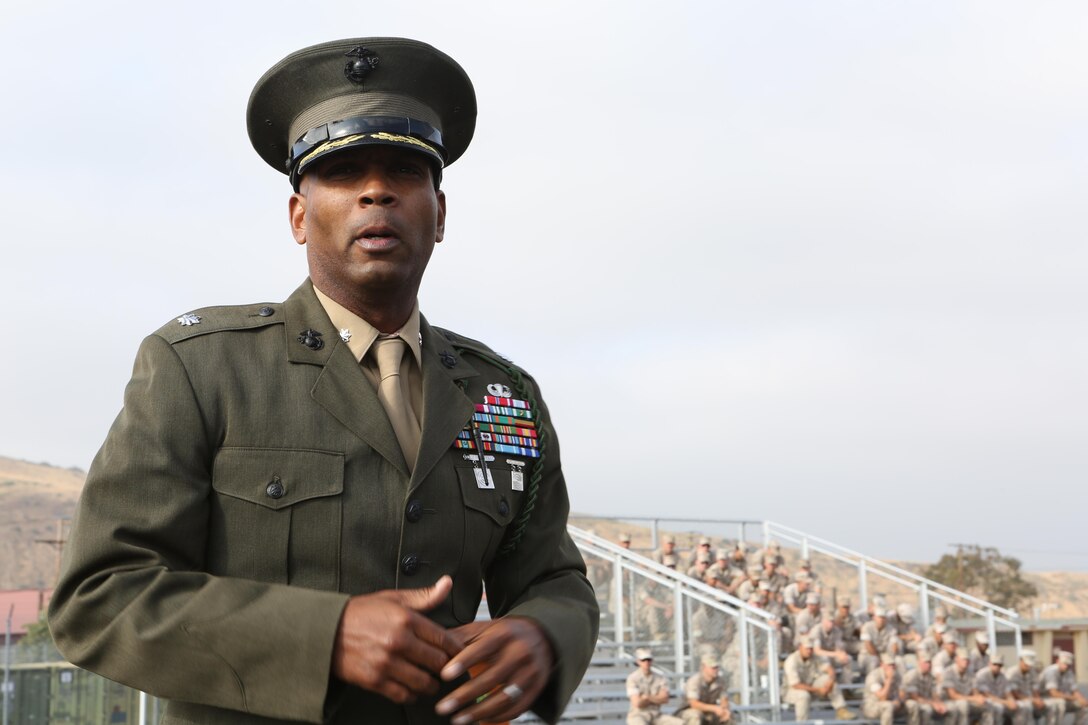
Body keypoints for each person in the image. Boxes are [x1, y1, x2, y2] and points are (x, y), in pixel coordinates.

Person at [47, 37, 599, 725]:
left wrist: (544, 632)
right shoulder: (201, 368)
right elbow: (99, 597)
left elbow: (552, 575)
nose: (377, 189)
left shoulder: (503, 396)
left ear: (441, 212)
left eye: (404, 168)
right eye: (342, 172)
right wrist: (325, 636)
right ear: (299, 218)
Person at [782, 638, 857, 721]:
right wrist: (818, 690)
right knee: (803, 696)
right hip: (791, 690)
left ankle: (841, 710)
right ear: (800, 647)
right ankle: (802, 722)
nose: (809, 651)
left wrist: (830, 681)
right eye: (807, 648)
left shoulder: (814, 656)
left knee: (829, 680)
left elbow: (829, 669)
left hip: (810, 685)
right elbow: (795, 685)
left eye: (811, 648)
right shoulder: (791, 660)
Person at [627, 649, 683, 725]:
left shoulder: (660, 678)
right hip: (638, 715)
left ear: (652, 661)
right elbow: (637, 703)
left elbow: (665, 699)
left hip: (656, 714)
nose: (646, 662)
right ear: (638, 661)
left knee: (680, 723)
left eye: (648, 660)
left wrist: (647, 697)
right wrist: (656, 698)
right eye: (643, 660)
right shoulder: (632, 678)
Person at [863, 654, 919, 725]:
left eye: (893, 664)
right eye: (889, 665)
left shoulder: (898, 674)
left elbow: (903, 693)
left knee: (912, 704)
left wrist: (899, 701)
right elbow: (883, 697)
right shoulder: (873, 676)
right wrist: (889, 679)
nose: (892, 667)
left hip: (894, 704)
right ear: (882, 665)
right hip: (873, 707)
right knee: (888, 706)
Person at [941, 647, 992, 725]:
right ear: (956, 659)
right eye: (963, 659)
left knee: (987, 704)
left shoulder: (971, 673)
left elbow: (975, 691)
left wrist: (979, 698)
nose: (966, 662)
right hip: (950, 702)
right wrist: (973, 698)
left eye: (967, 660)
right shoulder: (949, 672)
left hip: (967, 701)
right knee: (963, 704)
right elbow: (953, 696)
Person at [679, 654, 732, 725]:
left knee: (728, 716)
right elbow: (694, 704)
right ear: (704, 667)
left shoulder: (720, 681)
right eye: (712, 668)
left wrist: (724, 710)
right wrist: (715, 708)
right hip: (688, 711)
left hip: (710, 711)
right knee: (695, 716)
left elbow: (724, 699)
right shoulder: (694, 681)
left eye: (716, 667)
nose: (715, 670)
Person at [1040, 651, 1088, 725]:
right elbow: (1054, 693)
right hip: (1045, 699)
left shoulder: (1069, 672)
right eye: (1064, 663)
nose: (1066, 666)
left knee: (1084, 707)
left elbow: (1074, 690)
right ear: (1057, 661)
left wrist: (1082, 700)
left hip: (1063, 698)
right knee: (1060, 704)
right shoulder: (1051, 671)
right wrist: (1075, 698)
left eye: (1068, 664)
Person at [903, 654, 947, 725]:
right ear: (919, 663)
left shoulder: (931, 677)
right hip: (909, 702)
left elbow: (934, 694)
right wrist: (933, 704)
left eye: (929, 662)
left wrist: (939, 704)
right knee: (925, 709)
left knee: (947, 708)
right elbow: (915, 697)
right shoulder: (912, 675)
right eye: (926, 662)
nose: (928, 665)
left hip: (924, 702)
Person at [975, 654, 1016, 725]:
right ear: (989, 664)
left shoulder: (1003, 676)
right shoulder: (982, 674)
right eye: (995, 664)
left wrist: (1011, 700)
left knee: (1020, 707)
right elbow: (988, 695)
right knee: (997, 708)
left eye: (999, 665)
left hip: (1000, 701)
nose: (997, 667)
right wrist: (1006, 702)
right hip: (985, 702)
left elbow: (1008, 692)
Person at [1007, 649, 1044, 725]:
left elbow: (1035, 689)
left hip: (1029, 699)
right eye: (1026, 665)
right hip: (1016, 701)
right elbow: (1015, 694)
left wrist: (1038, 699)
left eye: (1030, 665)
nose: (1028, 667)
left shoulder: (1032, 672)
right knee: (1026, 706)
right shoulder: (1012, 673)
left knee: (1043, 706)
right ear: (1021, 661)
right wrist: (1032, 700)